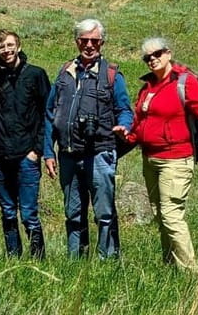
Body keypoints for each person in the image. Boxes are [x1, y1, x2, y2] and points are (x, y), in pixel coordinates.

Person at [126, 38, 198, 270]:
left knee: (171, 215)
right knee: (160, 215)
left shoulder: (183, 82)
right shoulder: (147, 87)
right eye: (147, 57)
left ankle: (191, 274)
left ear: (168, 53)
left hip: (176, 159)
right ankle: (170, 266)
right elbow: (139, 121)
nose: (152, 59)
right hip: (150, 158)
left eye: (157, 54)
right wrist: (127, 136)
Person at [44, 18, 133, 259]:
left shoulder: (112, 75)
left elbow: (125, 109)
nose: (90, 45)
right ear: (77, 41)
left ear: (102, 42)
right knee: (73, 212)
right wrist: (48, 151)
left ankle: (108, 260)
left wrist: (124, 126)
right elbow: (50, 113)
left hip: (100, 153)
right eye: (85, 40)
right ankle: (75, 260)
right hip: (69, 154)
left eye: (95, 41)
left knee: (104, 213)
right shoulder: (65, 72)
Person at [0, 29, 51, 259]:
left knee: (28, 214)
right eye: (1, 46)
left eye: (9, 45)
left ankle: (39, 259)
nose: (6, 50)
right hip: (0, 156)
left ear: (19, 45)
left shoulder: (35, 75)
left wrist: (37, 150)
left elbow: (48, 113)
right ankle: (12, 258)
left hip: (27, 156)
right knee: (7, 212)